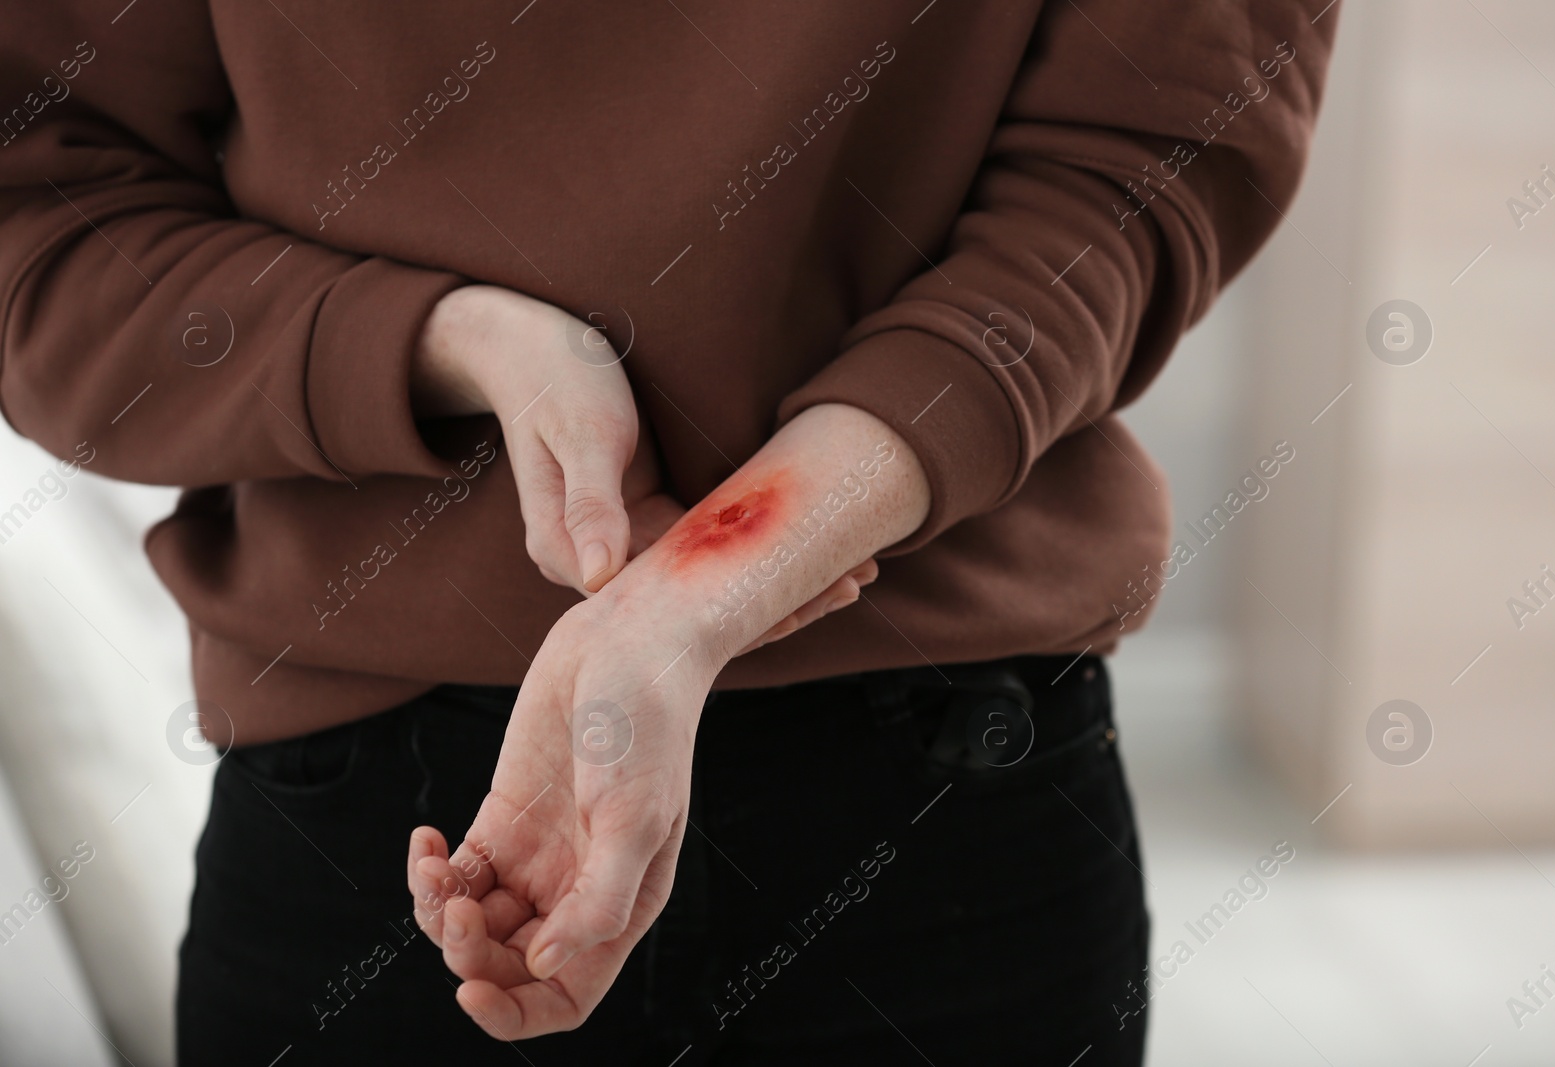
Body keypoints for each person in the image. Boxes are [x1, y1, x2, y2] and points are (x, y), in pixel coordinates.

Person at [0, 1, 1334, 1063]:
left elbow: (1144, 160)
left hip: (942, 788)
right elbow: (42, 228)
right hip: (401, 828)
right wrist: (448, 343)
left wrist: (689, 603)